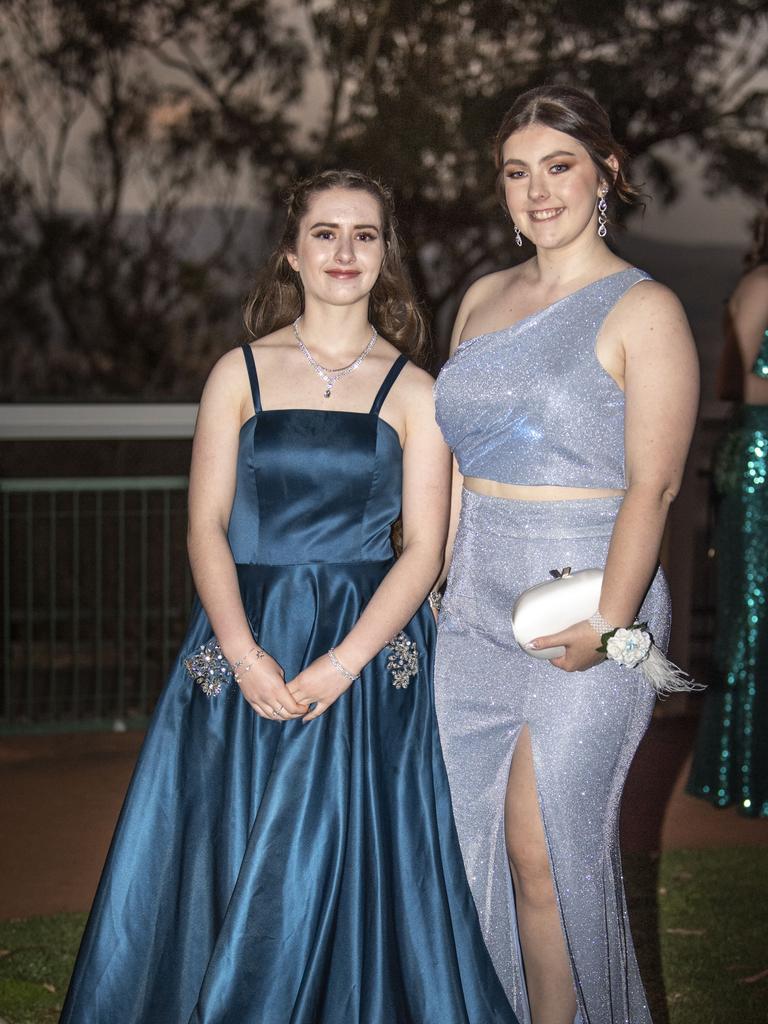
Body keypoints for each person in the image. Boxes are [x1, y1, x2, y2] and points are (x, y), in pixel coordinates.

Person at [60, 170, 519, 1024]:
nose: (344, 251)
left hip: (367, 645)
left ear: (386, 257)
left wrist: (344, 666)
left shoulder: (418, 390)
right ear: (292, 251)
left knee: (353, 854)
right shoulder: (236, 374)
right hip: (246, 633)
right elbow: (204, 527)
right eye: (325, 233)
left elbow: (424, 551)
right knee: (222, 844)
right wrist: (242, 655)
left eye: (366, 235)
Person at [432, 86, 699, 1024]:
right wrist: (438, 579)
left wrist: (612, 621)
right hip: (471, 606)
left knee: (544, 849)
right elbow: (457, 457)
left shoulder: (645, 308)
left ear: (605, 176)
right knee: (473, 850)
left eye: (559, 166)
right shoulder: (478, 298)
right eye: (517, 171)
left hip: (586, 594)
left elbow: (654, 489)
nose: (537, 191)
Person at [687, 194, 768, 818]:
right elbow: (734, 385)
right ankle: (744, 769)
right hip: (761, 452)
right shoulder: (761, 283)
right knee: (751, 611)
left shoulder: (755, 282)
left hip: (753, 443)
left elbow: (729, 382)